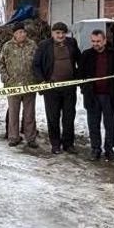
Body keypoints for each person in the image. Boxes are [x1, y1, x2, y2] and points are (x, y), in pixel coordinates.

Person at [78, 30, 114, 161]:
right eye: (93, 41)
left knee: (110, 125)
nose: (96, 44)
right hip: (92, 96)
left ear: (104, 41)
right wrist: (85, 89)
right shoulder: (86, 55)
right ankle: (95, 149)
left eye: (98, 41)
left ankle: (109, 149)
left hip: (110, 97)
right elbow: (80, 75)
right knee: (93, 124)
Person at [33, 22, 80, 154]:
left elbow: (79, 59)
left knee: (69, 116)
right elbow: (36, 65)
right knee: (53, 117)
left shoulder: (72, 43)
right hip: (51, 88)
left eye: (63, 33)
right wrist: (41, 81)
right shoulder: (44, 45)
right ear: (52, 33)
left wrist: (79, 76)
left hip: (69, 88)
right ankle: (55, 144)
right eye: (57, 33)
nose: (60, 35)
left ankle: (68, 144)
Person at [0, 23, 39, 148]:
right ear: (14, 34)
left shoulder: (32, 45)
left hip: (29, 84)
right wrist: (5, 77)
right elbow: (1, 64)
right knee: (13, 113)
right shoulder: (7, 46)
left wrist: (37, 77)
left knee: (29, 114)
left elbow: (38, 62)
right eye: (20, 32)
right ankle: (13, 137)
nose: (23, 34)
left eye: (24, 32)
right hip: (12, 85)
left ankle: (30, 138)